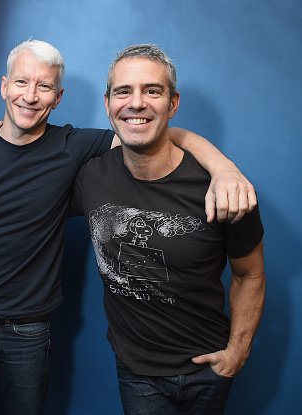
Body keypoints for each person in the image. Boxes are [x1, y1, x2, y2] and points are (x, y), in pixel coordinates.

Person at [0, 40, 256, 415]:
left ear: (58, 97)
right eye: (20, 83)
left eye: (43, 86)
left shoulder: (74, 147)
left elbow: (149, 130)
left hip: (27, 333)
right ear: (3, 86)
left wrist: (223, 167)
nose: (30, 96)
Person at [71, 44, 266, 414]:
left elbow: (250, 274)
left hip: (209, 369)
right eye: (123, 91)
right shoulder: (91, 177)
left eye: (152, 91)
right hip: (137, 372)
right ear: (108, 103)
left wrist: (238, 351)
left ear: (173, 103)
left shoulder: (223, 189)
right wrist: (6, 128)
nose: (137, 102)